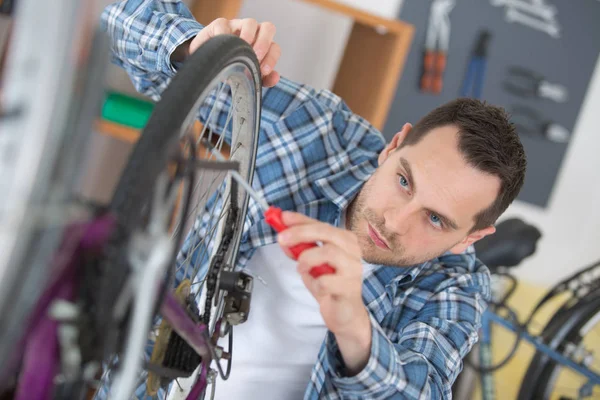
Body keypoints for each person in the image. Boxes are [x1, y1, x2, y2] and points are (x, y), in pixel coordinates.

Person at [100, 1, 526, 399]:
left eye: (435, 220)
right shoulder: (315, 130)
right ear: (394, 146)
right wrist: (197, 50)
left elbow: (419, 389)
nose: (395, 222)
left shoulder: (456, 288)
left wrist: (354, 327)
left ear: (470, 238)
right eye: (403, 181)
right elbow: (117, 16)